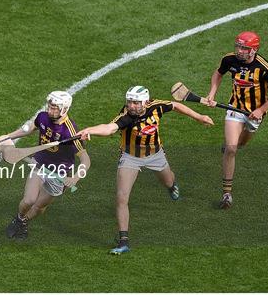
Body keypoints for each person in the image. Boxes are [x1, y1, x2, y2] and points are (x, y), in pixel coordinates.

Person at [77, 86, 213, 254]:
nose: (131, 106)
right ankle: (123, 241)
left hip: (156, 155)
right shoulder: (126, 116)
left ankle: (171, 186)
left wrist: (199, 117)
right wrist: (90, 130)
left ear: (146, 102)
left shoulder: (156, 107)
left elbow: (176, 105)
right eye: (129, 102)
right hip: (130, 158)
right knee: (121, 198)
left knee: (168, 181)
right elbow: (109, 128)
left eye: (135, 102)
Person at [0, 91, 91, 239]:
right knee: (29, 200)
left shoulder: (71, 131)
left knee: (39, 207)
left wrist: (76, 177)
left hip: (59, 173)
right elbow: (29, 128)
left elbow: (86, 160)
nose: (50, 110)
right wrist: (7, 136)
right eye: (50, 106)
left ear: (64, 109)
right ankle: (19, 217)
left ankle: (23, 222)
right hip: (40, 164)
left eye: (55, 108)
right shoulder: (43, 116)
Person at [204, 31, 268, 209]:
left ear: (253, 50)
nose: (239, 51)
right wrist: (212, 94)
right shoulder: (229, 60)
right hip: (233, 109)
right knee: (232, 149)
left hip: (254, 114)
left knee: (240, 145)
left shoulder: (263, 67)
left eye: (244, 48)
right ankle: (227, 193)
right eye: (238, 46)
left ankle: (232, 146)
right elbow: (218, 74)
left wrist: (261, 109)